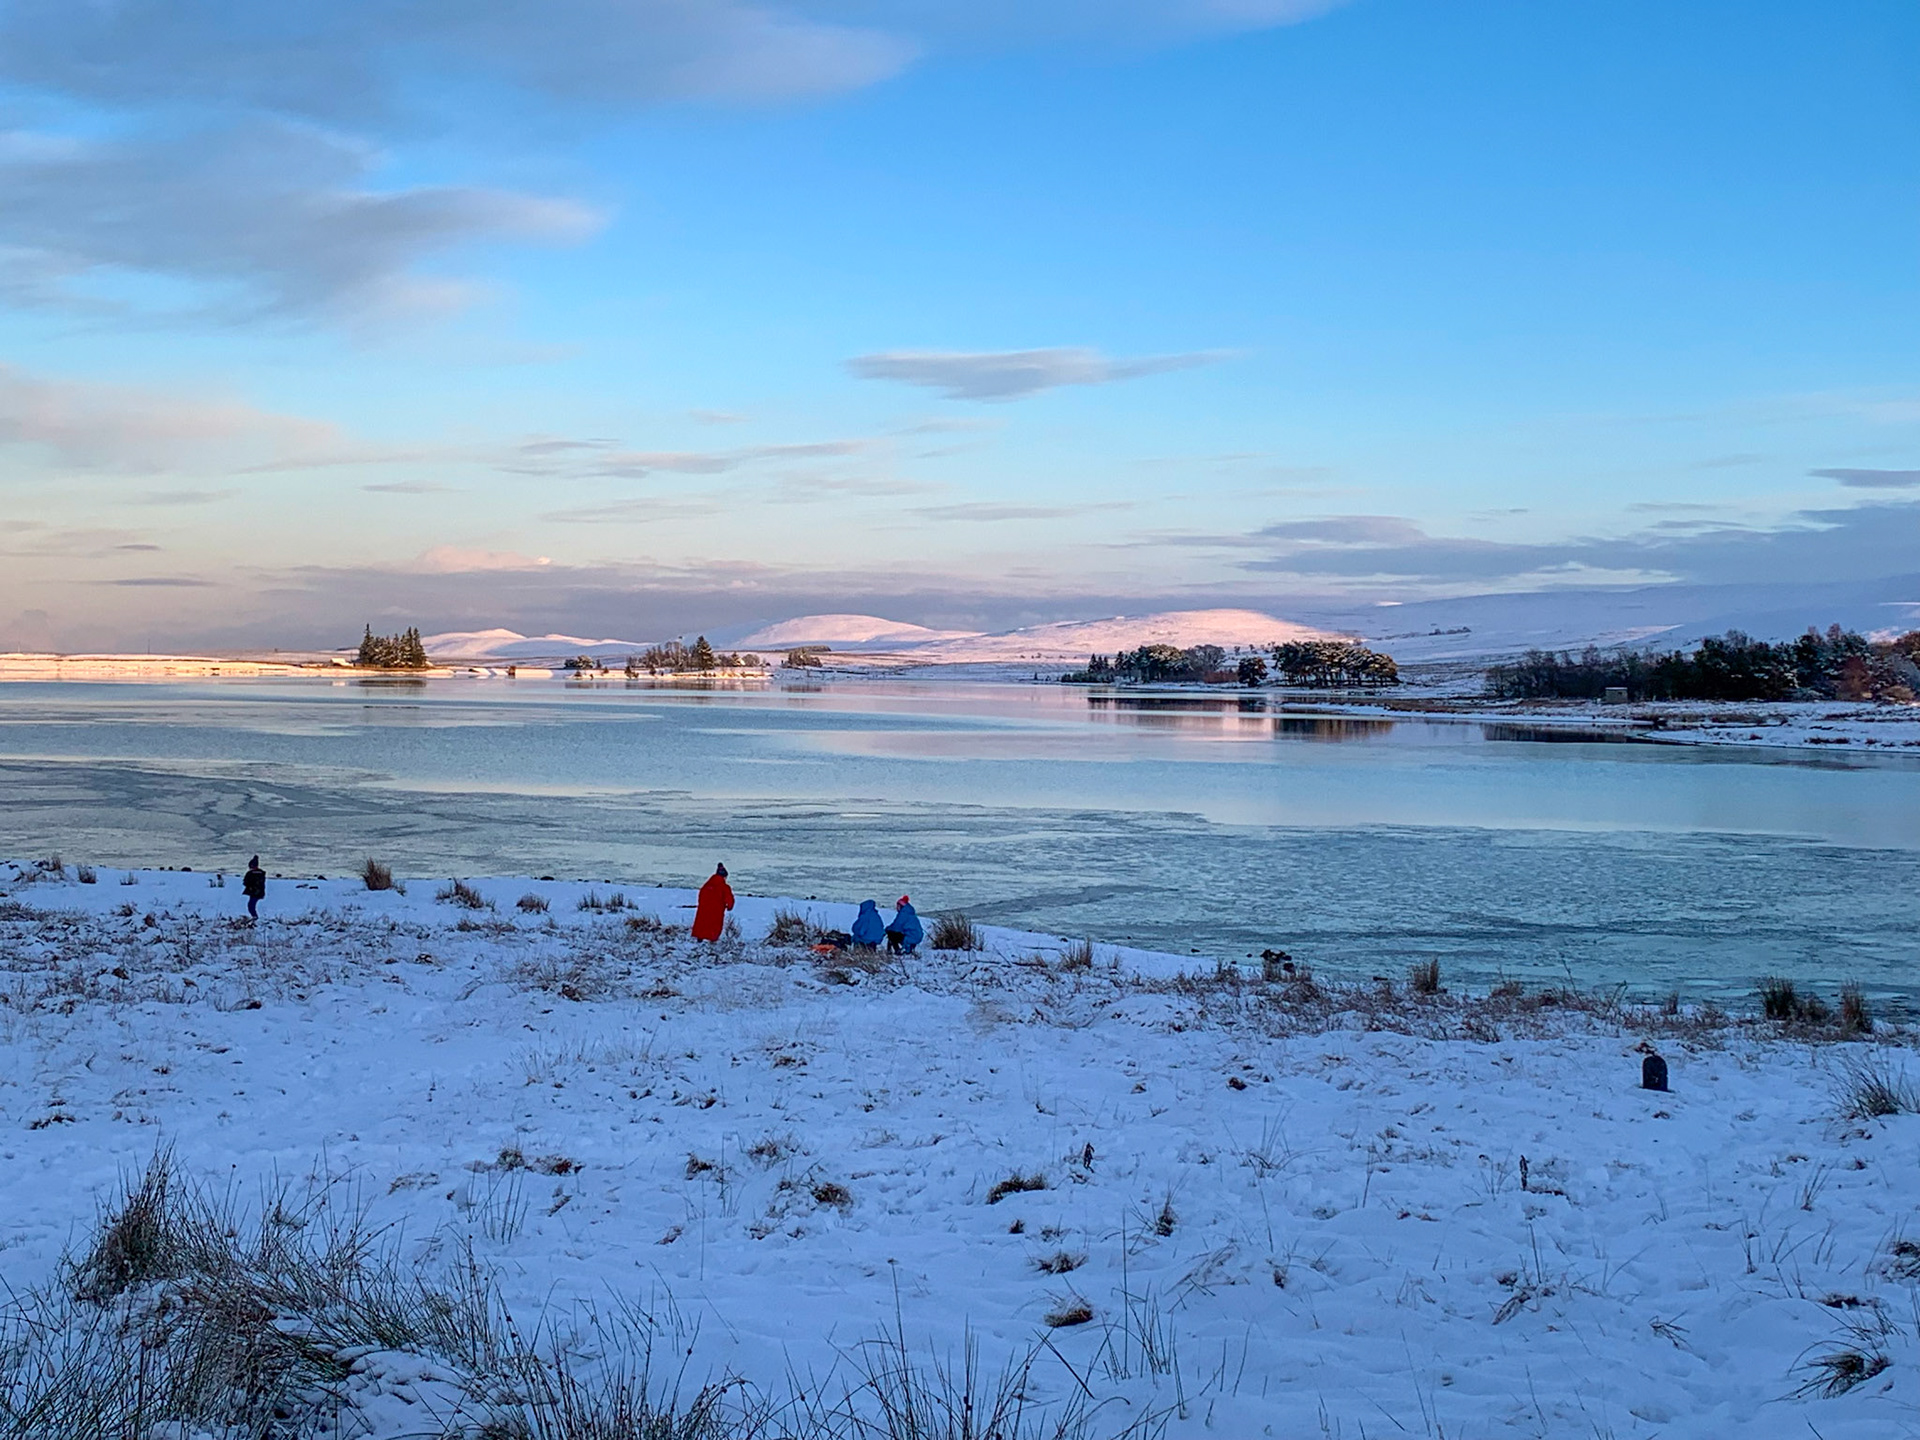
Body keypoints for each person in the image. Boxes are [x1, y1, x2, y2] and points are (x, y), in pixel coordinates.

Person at [691, 862, 734, 942]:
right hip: (716, 910)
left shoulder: (707, 885)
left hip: (704, 909)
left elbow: (700, 896)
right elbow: (729, 899)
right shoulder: (724, 887)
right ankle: (712, 941)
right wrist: (729, 907)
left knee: (702, 923)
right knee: (714, 926)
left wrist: (702, 904)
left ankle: (699, 940)